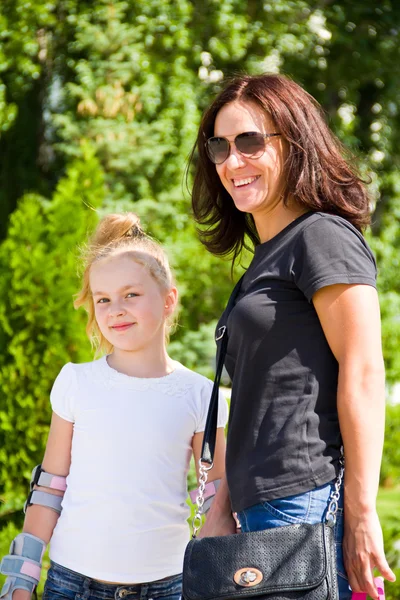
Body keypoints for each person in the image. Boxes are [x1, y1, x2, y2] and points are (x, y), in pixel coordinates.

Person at [189, 73, 396, 600]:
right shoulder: (264, 258)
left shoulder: (321, 236)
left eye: (250, 141)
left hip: (305, 501)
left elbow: (365, 372)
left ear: (295, 141)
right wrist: (220, 508)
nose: (233, 162)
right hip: (260, 508)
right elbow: (256, 400)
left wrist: (361, 512)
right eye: (220, 146)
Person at [0, 213, 227, 600]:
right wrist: (20, 582)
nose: (115, 309)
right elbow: (50, 489)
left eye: (131, 295)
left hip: (169, 586)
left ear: (169, 299)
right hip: (72, 585)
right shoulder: (76, 382)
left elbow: (217, 499)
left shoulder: (199, 394)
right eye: (103, 299)